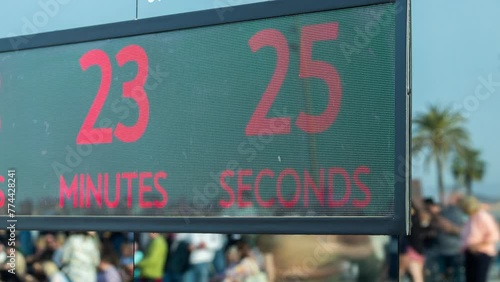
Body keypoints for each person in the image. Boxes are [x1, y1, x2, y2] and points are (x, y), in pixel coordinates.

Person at [459, 196, 500, 282]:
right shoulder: (471, 218)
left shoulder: (483, 216)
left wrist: (477, 246)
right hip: (470, 253)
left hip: (481, 253)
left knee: (479, 278)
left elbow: (494, 235)